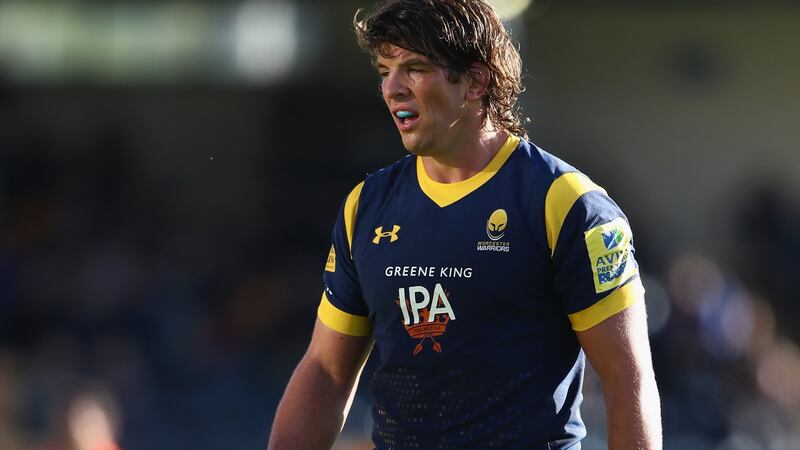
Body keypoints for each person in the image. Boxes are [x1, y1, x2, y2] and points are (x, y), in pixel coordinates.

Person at [268, 0, 662, 448]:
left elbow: (626, 378)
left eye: (414, 68)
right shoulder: (367, 205)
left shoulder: (566, 203)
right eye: (384, 70)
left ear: (476, 80)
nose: (392, 88)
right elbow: (326, 370)